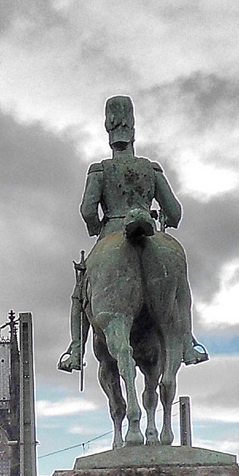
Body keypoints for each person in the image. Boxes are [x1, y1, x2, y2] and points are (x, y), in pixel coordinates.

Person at [60, 95, 208, 371]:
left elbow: (87, 210)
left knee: (80, 293)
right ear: (133, 130)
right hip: (150, 231)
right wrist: (161, 217)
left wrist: (97, 228)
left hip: (111, 232)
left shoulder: (100, 171)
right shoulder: (150, 169)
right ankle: (188, 343)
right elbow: (174, 211)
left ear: (108, 131)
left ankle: (76, 350)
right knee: (181, 287)